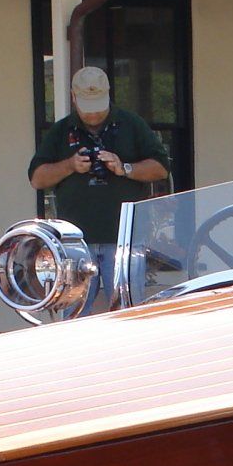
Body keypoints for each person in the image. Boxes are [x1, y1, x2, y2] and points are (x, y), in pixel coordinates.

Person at [27, 67, 171, 313]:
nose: (93, 113)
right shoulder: (61, 131)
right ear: (74, 97)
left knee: (128, 311)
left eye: (98, 106)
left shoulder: (131, 124)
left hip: (124, 240)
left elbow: (161, 169)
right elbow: (37, 179)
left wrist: (124, 168)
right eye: (87, 106)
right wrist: (70, 165)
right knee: (74, 314)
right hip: (75, 242)